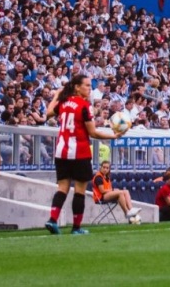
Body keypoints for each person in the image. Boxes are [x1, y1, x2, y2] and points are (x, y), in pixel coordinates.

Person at [44, 73, 126, 235]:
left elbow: (48, 113)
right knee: (79, 190)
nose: (90, 88)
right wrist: (113, 135)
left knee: (62, 188)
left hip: (61, 151)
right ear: (77, 87)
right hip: (80, 152)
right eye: (87, 85)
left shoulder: (64, 102)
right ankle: (76, 227)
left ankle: (52, 220)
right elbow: (93, 133)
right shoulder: (84, 105)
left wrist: (58, 96)